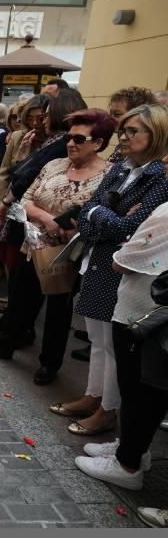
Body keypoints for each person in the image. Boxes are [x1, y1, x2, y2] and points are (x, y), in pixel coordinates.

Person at [0, 109, 115, 386]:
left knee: (58, 313)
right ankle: (5, 345)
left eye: (79, 138)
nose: (71, 143)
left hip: (67, 253)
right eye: (70, 137)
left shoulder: (109, 175)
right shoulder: (54, 165)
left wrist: (67, 226)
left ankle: (49, 364)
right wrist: (48, 219)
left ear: (98, 143)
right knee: (20, 299)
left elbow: (99, 212)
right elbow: (25, 199)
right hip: (32, 244)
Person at [52, 104, 168, 435]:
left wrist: (100, 215)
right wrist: (102, 215)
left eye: (133, 131)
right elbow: (88, 211)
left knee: (115, 345)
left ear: (155, 134)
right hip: (98, 260)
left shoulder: (158, 176)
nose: (125, 137)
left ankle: (108, 410)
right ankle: (93, 395)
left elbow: (131, 227)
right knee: (97, 339)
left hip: (123, 269)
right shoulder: (120, 169)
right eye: (124, 131)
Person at [73, 204, 168, 493]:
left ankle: (127, 464)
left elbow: (123, 260)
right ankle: (133, 450)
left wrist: (125, 242)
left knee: (139, 390)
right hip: (147, 311)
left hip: (143, 314)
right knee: (143, 392)